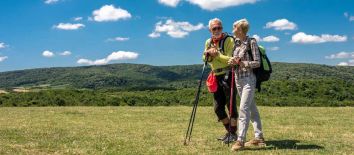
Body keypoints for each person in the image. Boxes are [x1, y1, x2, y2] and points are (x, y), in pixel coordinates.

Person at [228, 19, 266, 151]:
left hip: (249, 79)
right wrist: (232, 61)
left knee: (243, 108)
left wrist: (245, 63)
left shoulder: (252, 42)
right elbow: (235, 61)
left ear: (240, 29)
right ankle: (259, 138)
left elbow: (257, 62)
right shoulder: (236, 43)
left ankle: (240, 140)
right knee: (251, 108)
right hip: (238, 79)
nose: (233, 30)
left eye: (235, 28)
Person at [203, 18, 238, 144]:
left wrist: (216, 55)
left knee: (231, 106)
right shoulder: (208, 41)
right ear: (210, 30)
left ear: (222, 28)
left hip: (229, 74)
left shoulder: (229, 40)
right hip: (216, 76)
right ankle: (230, 132)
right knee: (218, 108)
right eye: (214, 28)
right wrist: (208, 53)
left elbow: (230, 60)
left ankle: (232, 134)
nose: (217, 30)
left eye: (219, 28)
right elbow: (204, 59)